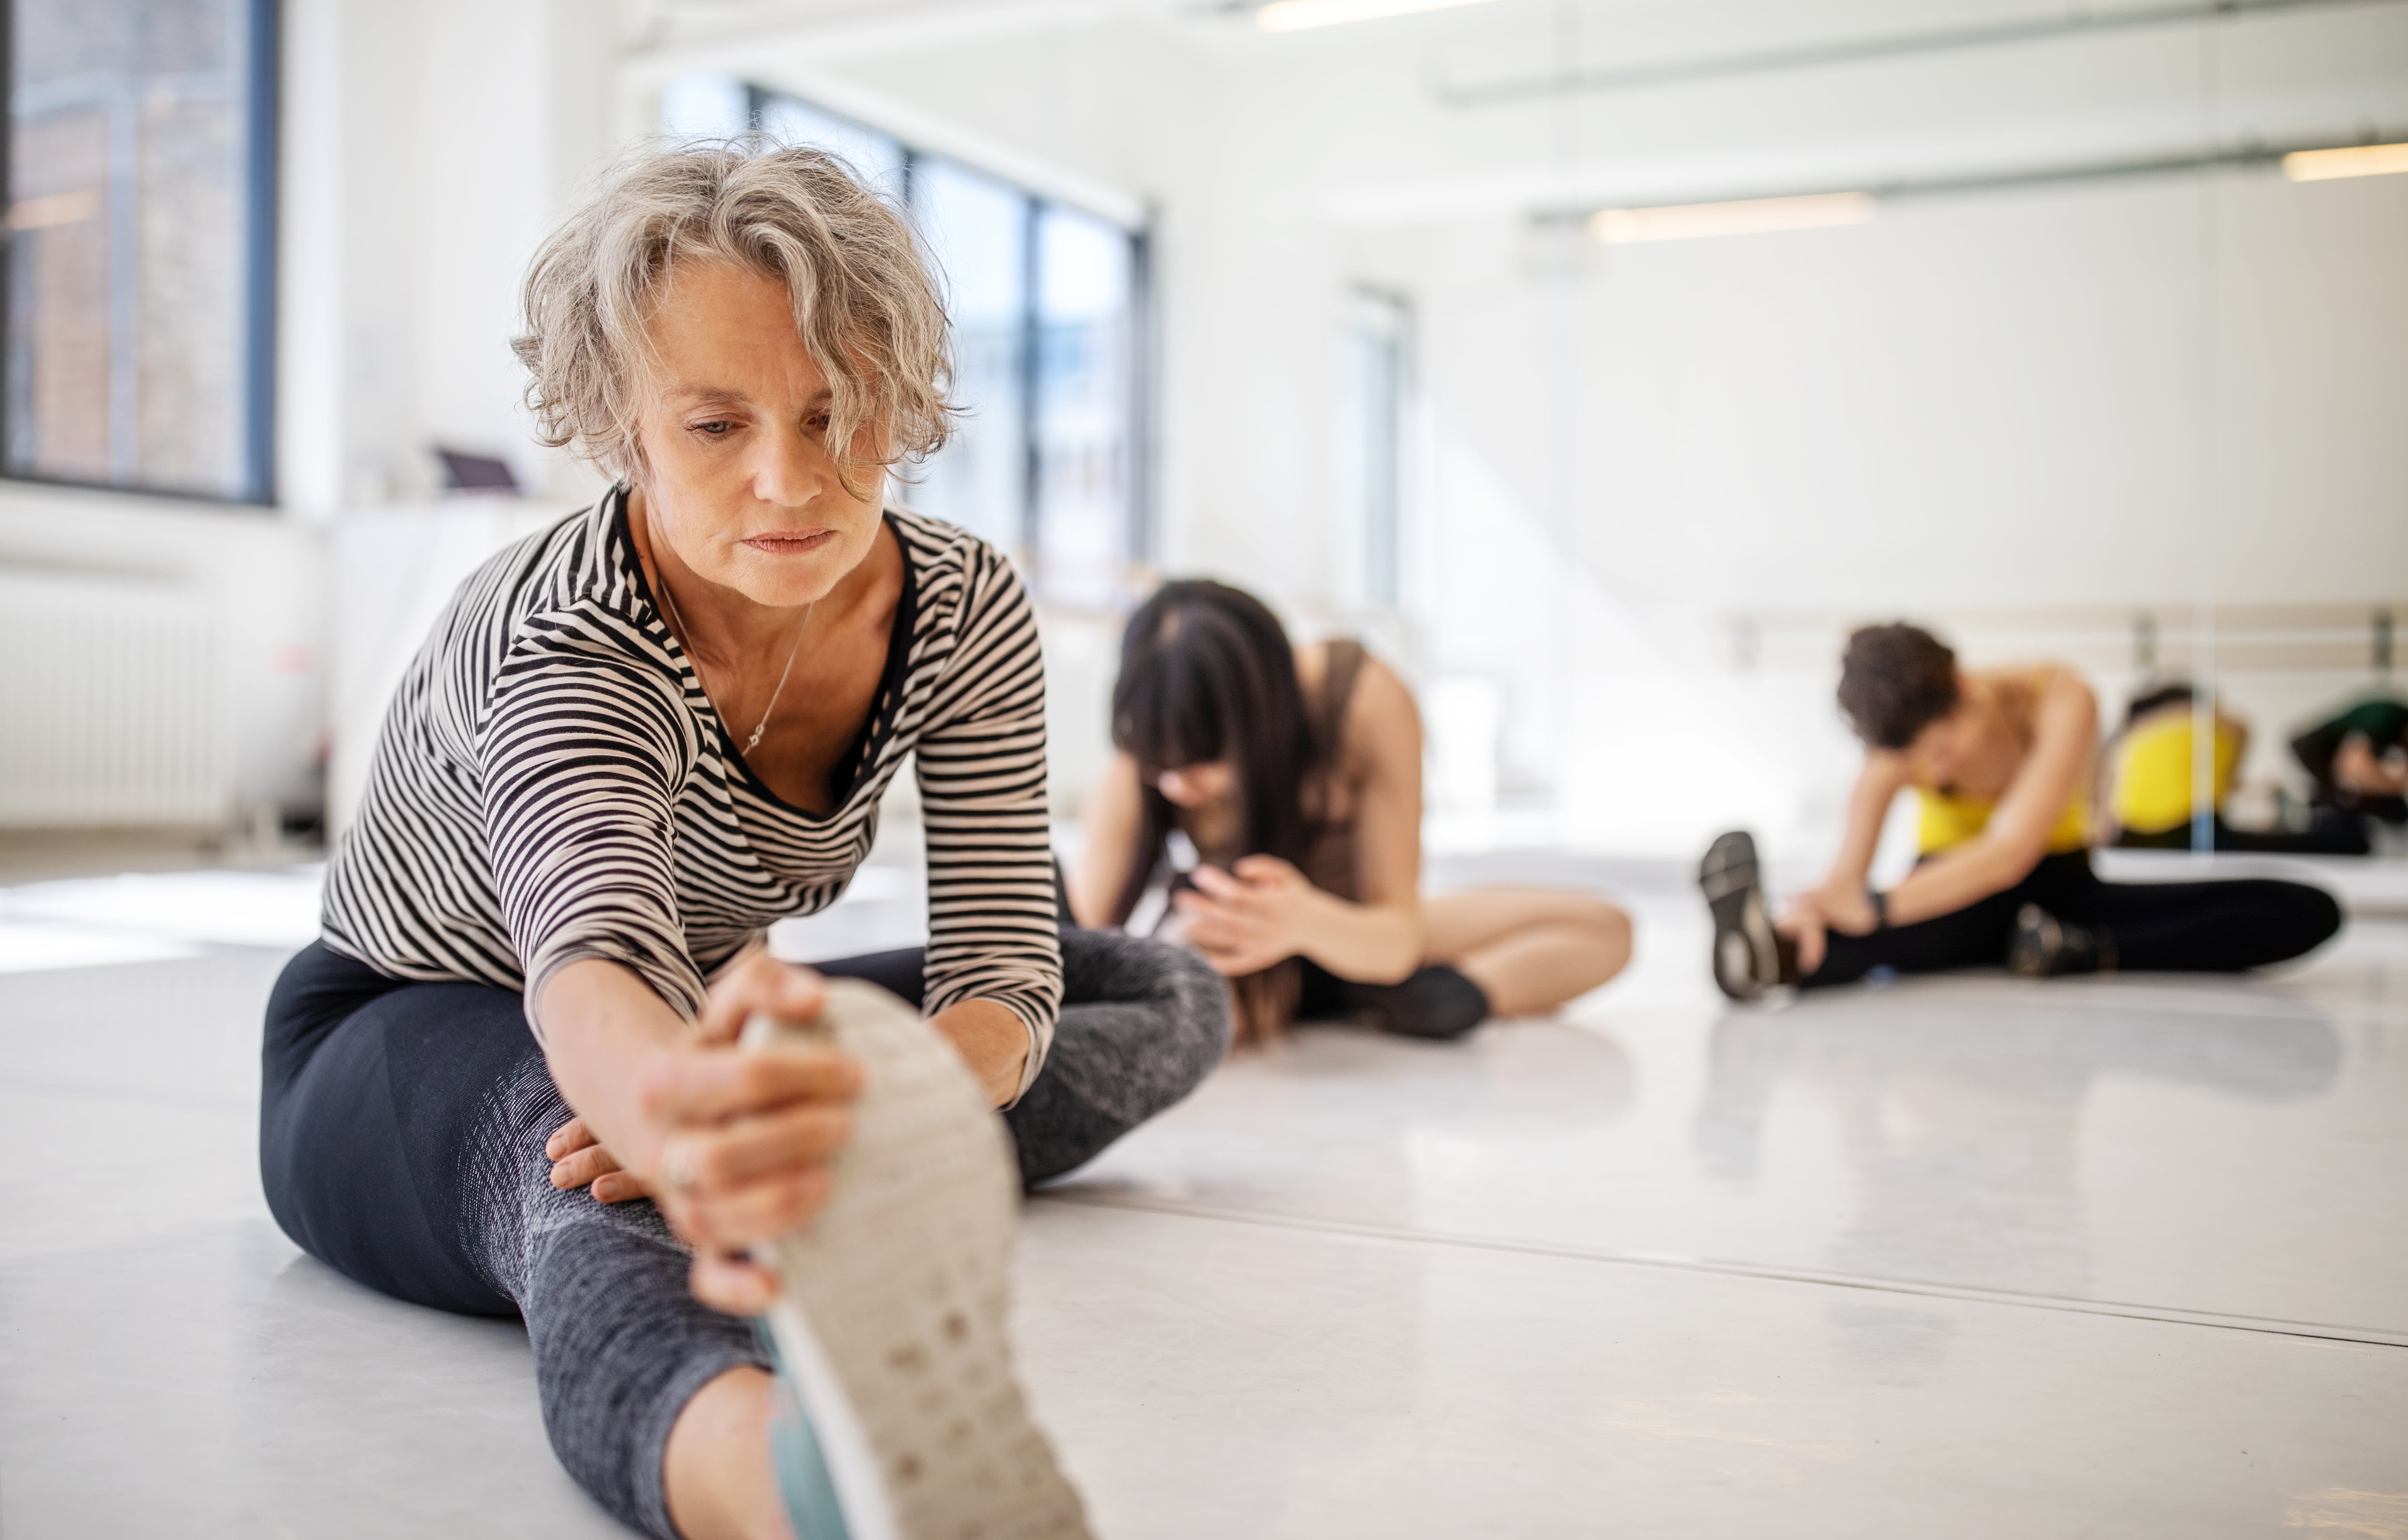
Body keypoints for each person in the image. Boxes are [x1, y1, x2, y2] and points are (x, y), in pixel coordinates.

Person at [260, 141, 1226, 1540]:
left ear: (898, 400)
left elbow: (1008, 963)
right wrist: (691, 1131)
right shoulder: (568, 636)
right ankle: (780, 1480)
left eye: (837, 413)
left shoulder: (961, 605)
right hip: (413, 1031)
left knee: (1156, 985)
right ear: (625, 426)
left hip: (693, 1026)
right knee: (597, 1186)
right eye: (716, 426)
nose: (792, 480)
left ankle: (824, 1170)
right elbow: (591, 966)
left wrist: (858, 1103)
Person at [1071, 579, 1633, 1043]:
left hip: (1352, 932)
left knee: (1608, 931)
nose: (1176, 785)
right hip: (1251, 956)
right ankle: (1396, 997)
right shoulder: (1151, 740)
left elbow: (1395, 930)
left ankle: (1448, 997)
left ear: (1257, 716)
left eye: (1201, 763)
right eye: (1158, 764)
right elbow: (1082, 933)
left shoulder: (1360, 698)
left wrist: (1304, 922)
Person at [1700, 622, 2343, 999]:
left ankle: (2082, 950)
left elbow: (2010, 853)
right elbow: (1846, 885)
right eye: (1924, 766)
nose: (1938, 774)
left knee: (2302, 908)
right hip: (1953, 898)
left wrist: (1877, 908)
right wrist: (1812, 910)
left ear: (1964, 691)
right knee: (1865, 938)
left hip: (2059, 890)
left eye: (1944, 752)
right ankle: (1772, 952)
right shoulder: (1893, 742)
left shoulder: (2060, 698)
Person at [2104, 682, 2368, 855]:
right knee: (2331, 842)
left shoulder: (2126, 743)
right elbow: (2241, 727)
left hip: (2135, 841)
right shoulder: (2182, 730)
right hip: (2185, 837)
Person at [2290, 693, 2408, 828]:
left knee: (2397, 814)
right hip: (2314, 749)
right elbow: (2356, 764)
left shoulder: (2397, 732)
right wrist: (2398, 786)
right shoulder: (2386, 718)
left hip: (2336, 760)